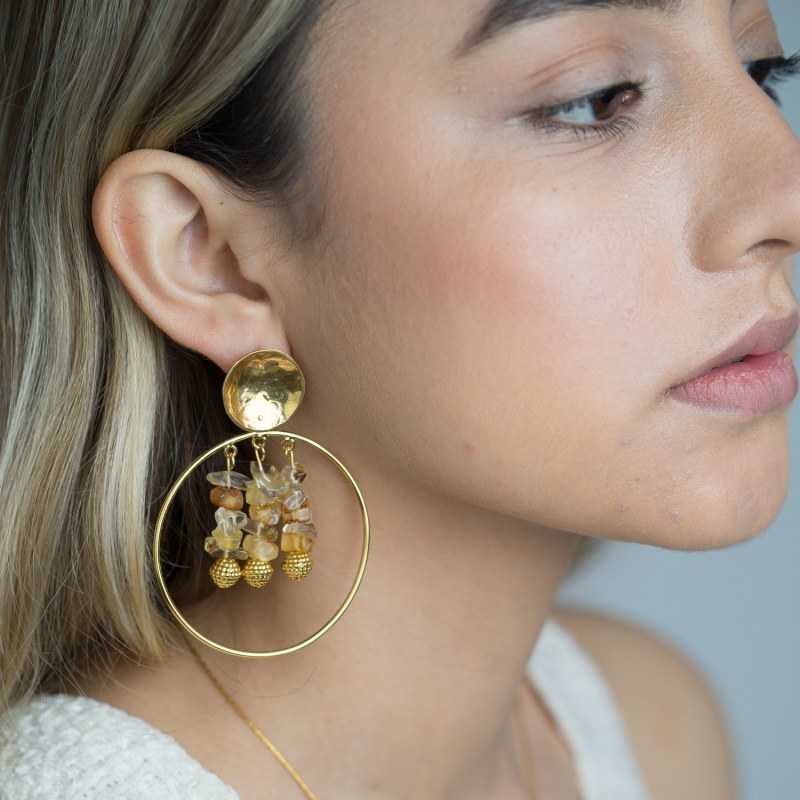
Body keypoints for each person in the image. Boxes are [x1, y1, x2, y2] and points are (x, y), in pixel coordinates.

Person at [1, 0, 797, 797]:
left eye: (762, 71)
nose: (784, 198)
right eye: (597, 97)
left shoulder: (647, 722)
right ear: (211, 260)